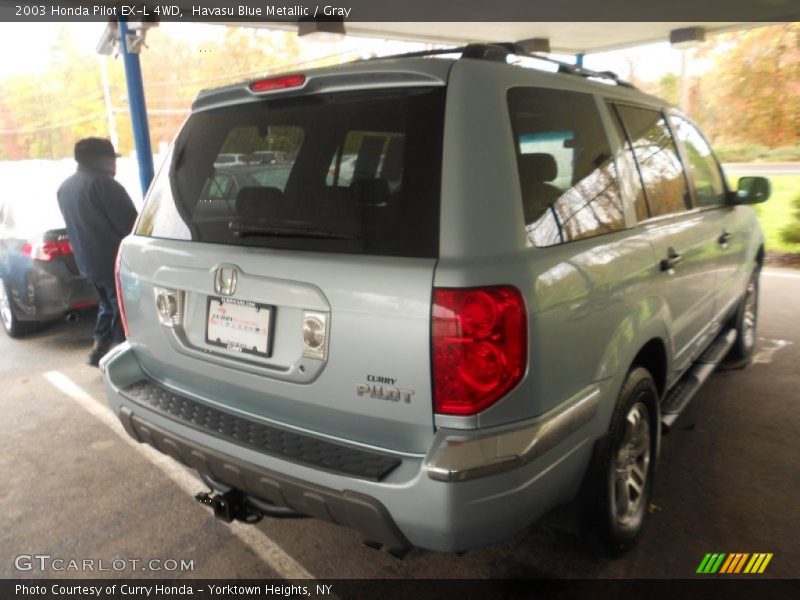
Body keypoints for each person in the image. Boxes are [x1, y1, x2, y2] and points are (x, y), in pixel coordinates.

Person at [57, 138, 138, 366]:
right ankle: (122, 359)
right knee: (123, 309)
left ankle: (99, 348)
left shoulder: (66, 187)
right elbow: (131, 226)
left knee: (107, 304)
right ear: (101, 160)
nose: (115, 164)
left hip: (87, 262)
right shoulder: (106, 186)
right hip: (113, 261)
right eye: (112, 158)